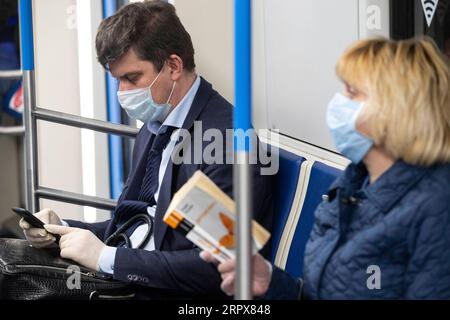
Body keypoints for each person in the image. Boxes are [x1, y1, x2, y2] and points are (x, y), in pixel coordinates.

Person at [19, 1, 273, 299]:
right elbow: (138, 226)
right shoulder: (155, 128)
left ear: (174, 66)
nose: (122, 93)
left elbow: (218, 267)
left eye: (132, 78)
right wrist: (63, 230)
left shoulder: (226, 143)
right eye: (117, 80)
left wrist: (107, 258)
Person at [202, 37, 450, 299]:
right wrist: (271, 281)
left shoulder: (436, 208)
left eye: (352, 93)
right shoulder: (353, 183)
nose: (338, 102)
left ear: (395, 111)